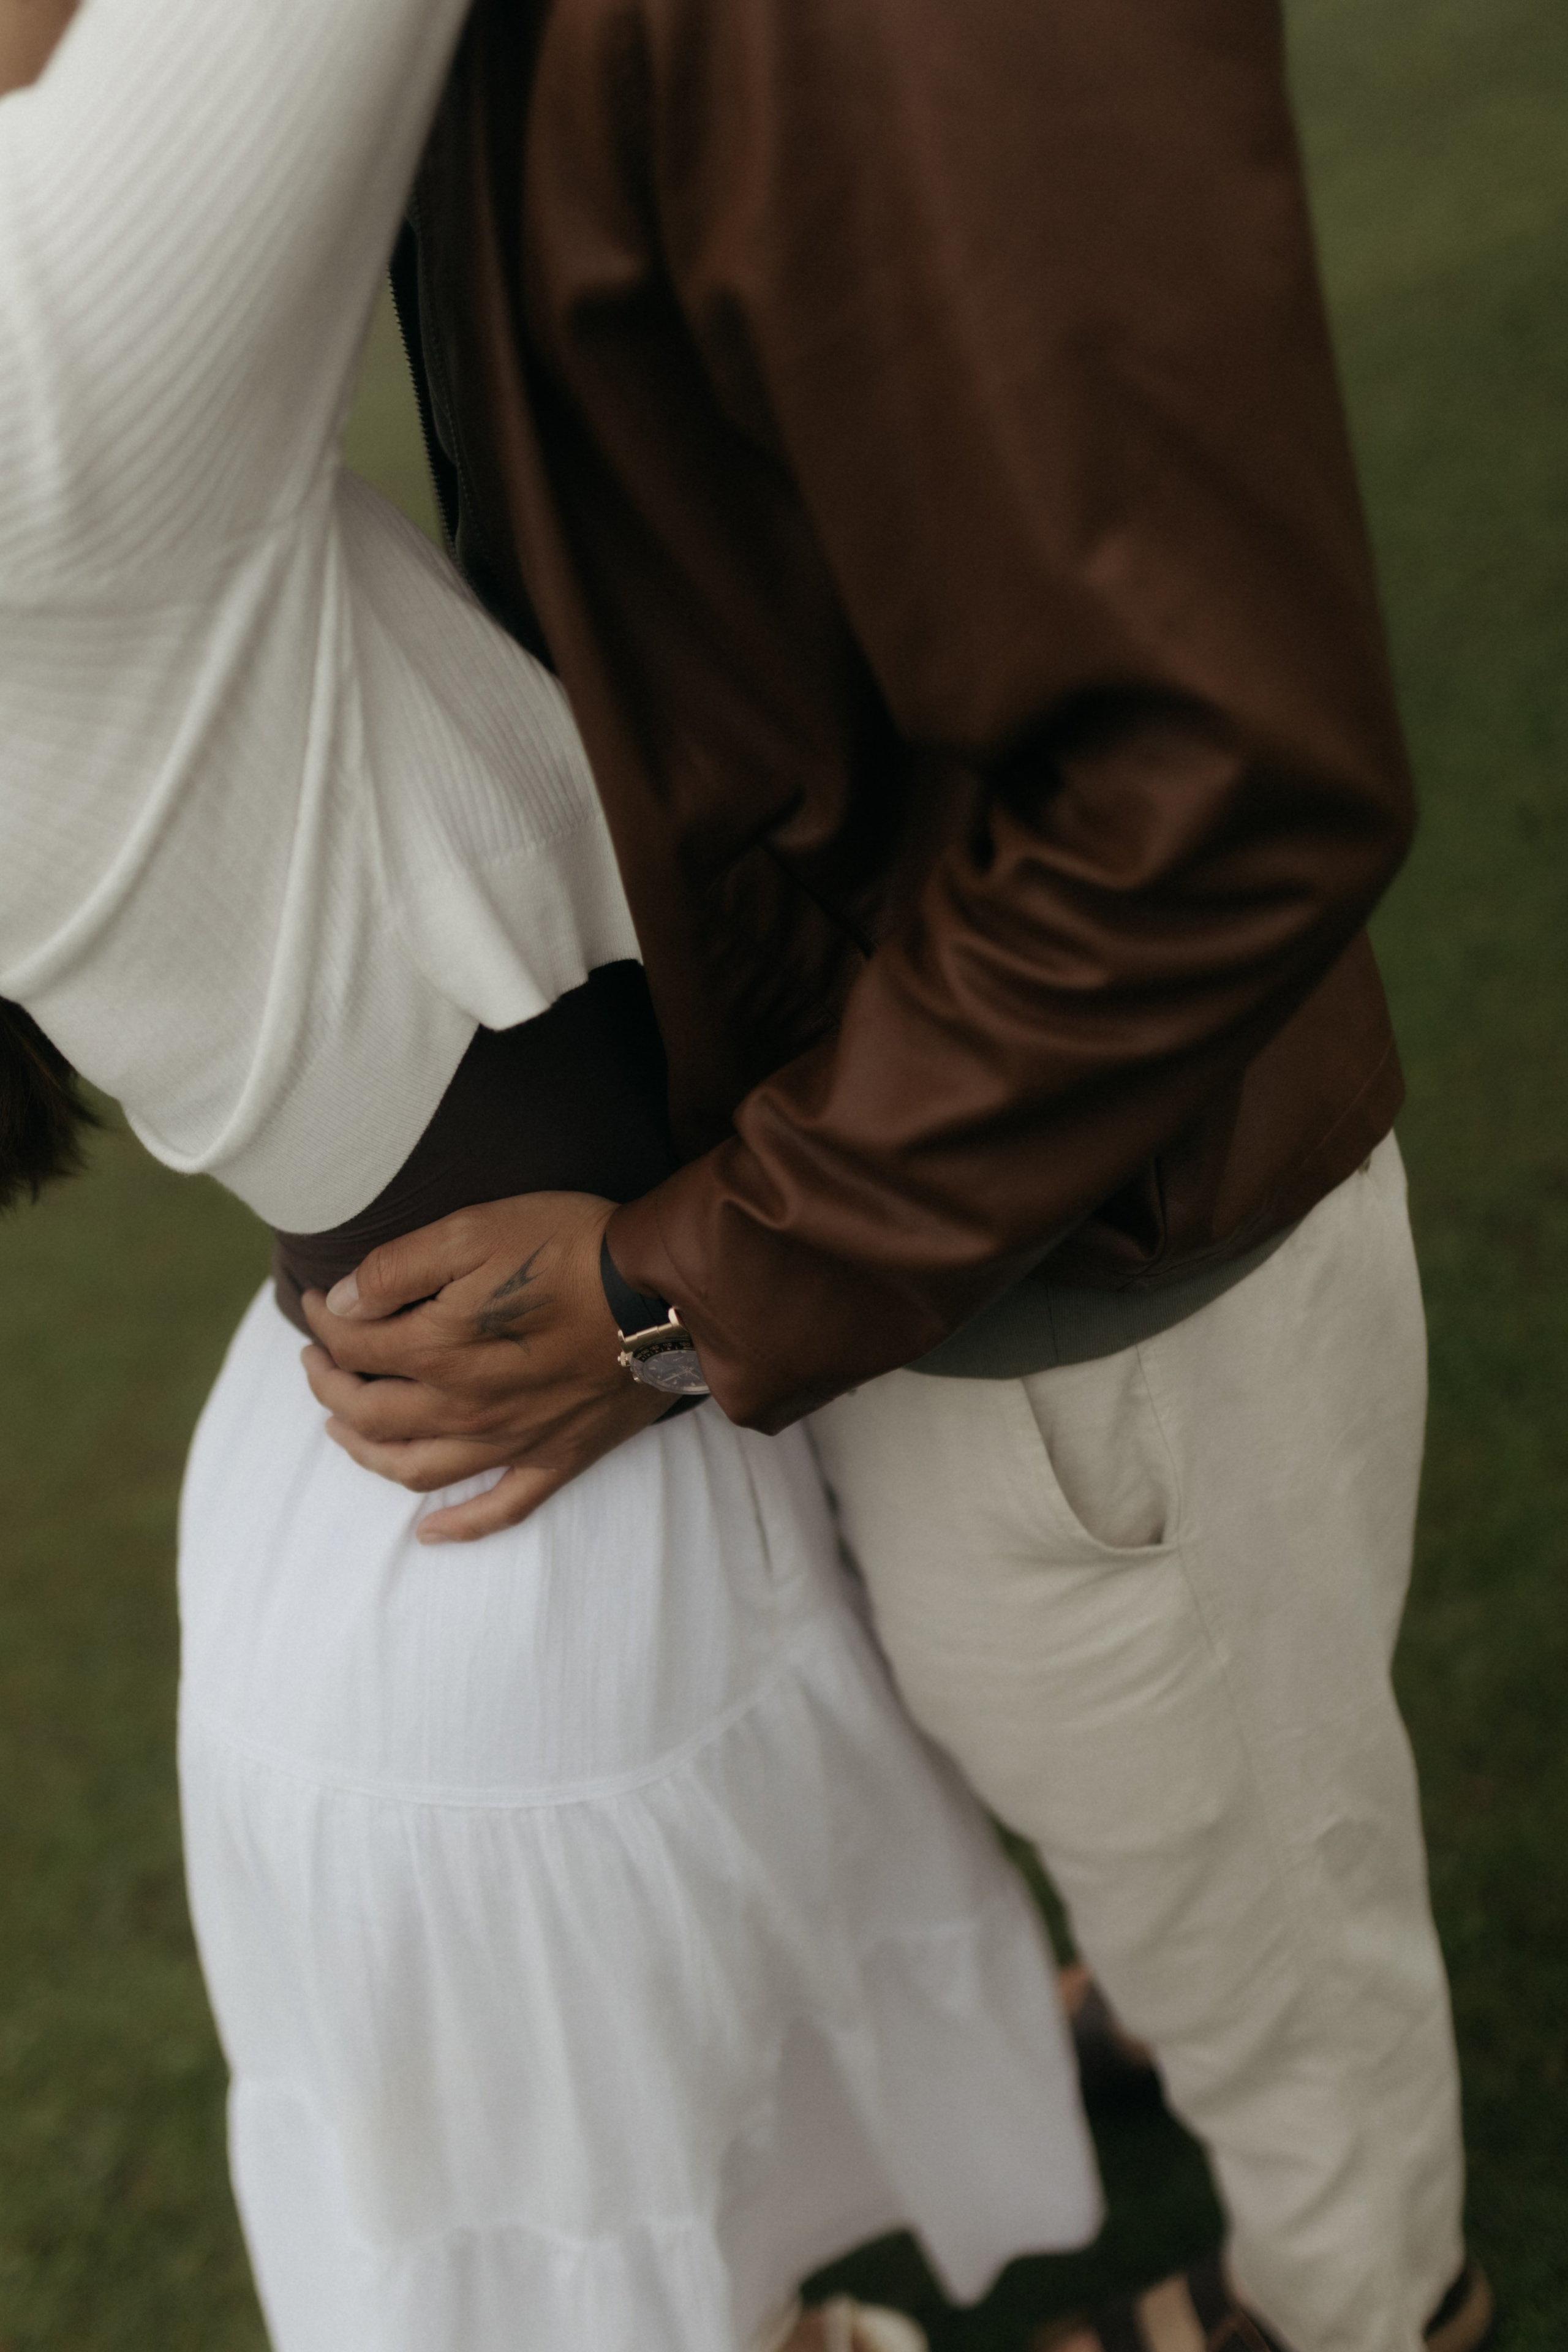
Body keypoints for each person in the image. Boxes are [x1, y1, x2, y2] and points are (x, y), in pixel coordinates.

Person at [301, 5, 1492, 2348]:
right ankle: (1178, 1988)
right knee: (1184, 1837)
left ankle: (1357, 2302)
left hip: (1078, 1269)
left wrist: (685, 1282)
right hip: (927, 1209)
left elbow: (1211, 779)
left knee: (1275, 1917)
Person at [0, 3, 1106, 2347]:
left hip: (429, 1468)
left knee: (665, 2200)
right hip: (513, 1556)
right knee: (615, 2244)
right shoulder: (33, 397)